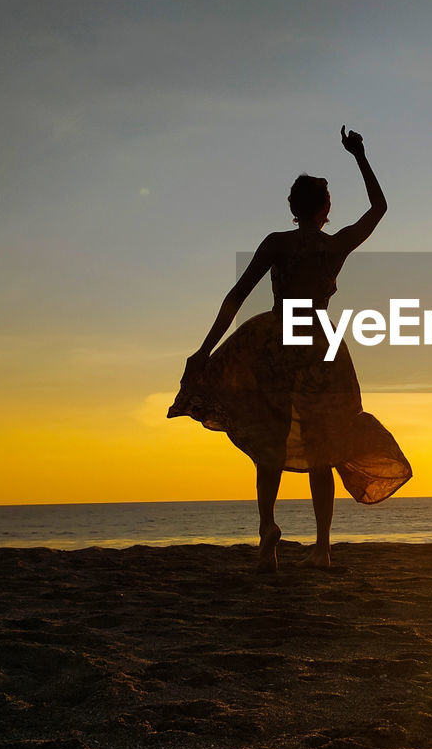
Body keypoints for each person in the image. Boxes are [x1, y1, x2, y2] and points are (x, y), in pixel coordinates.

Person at [167, 126, 412, 572]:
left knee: (270, 442)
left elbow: (235, 297)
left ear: (294, 209)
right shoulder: (334, 246)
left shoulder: (277, 243)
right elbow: (379, 208)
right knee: (323, 446)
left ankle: (267, 530)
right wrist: (359, 155)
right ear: (324, 208)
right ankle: (322, 546)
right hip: (320, 344)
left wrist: (206, 349)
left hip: (279, 339)